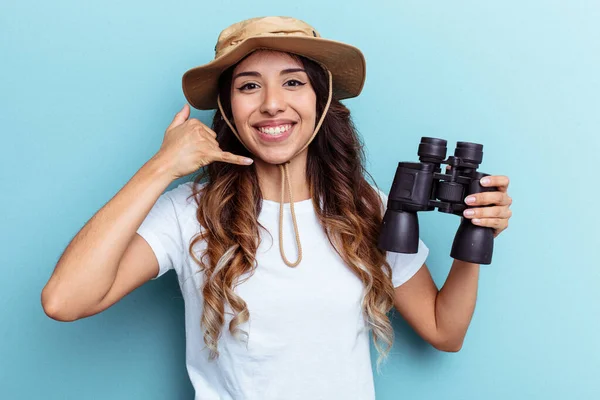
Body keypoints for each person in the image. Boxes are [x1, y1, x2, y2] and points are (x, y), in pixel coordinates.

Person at [41, 16, 513, 400]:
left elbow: (443, 329)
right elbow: (65, 300)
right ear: (226, 108)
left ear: (320, 100)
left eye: (292, 82)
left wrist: (476, 236)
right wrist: (162, 167)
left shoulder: (365, 208)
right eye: (249, 86)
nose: (272, 104)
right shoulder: (190, 211)